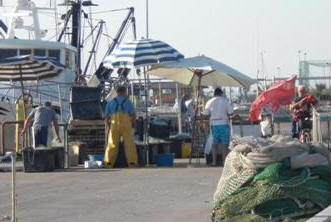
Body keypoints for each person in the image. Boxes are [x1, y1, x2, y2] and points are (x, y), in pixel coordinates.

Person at [104, 86, 138, 167]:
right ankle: (132, 163)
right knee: (129, 145)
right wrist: (134, 125)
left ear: (117, 92)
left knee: (112, 144)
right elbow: (133, 115)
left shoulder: (111, 102)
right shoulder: (128, 102)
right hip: (126, 126)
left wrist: (108, 127)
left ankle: (108, 163)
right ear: (123, 92)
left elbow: (107, 117)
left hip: (114, 126)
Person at [203, 88, 233, 166]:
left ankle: (214, 162)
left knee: (214, 144)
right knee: (224, 144)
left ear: (214, 93)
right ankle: (224, 162)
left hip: (214, 124)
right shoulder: (225, 101)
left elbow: (206, 113)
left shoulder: (209, 101)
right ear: (221, 93)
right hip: (224, 124)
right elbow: (231, 112)